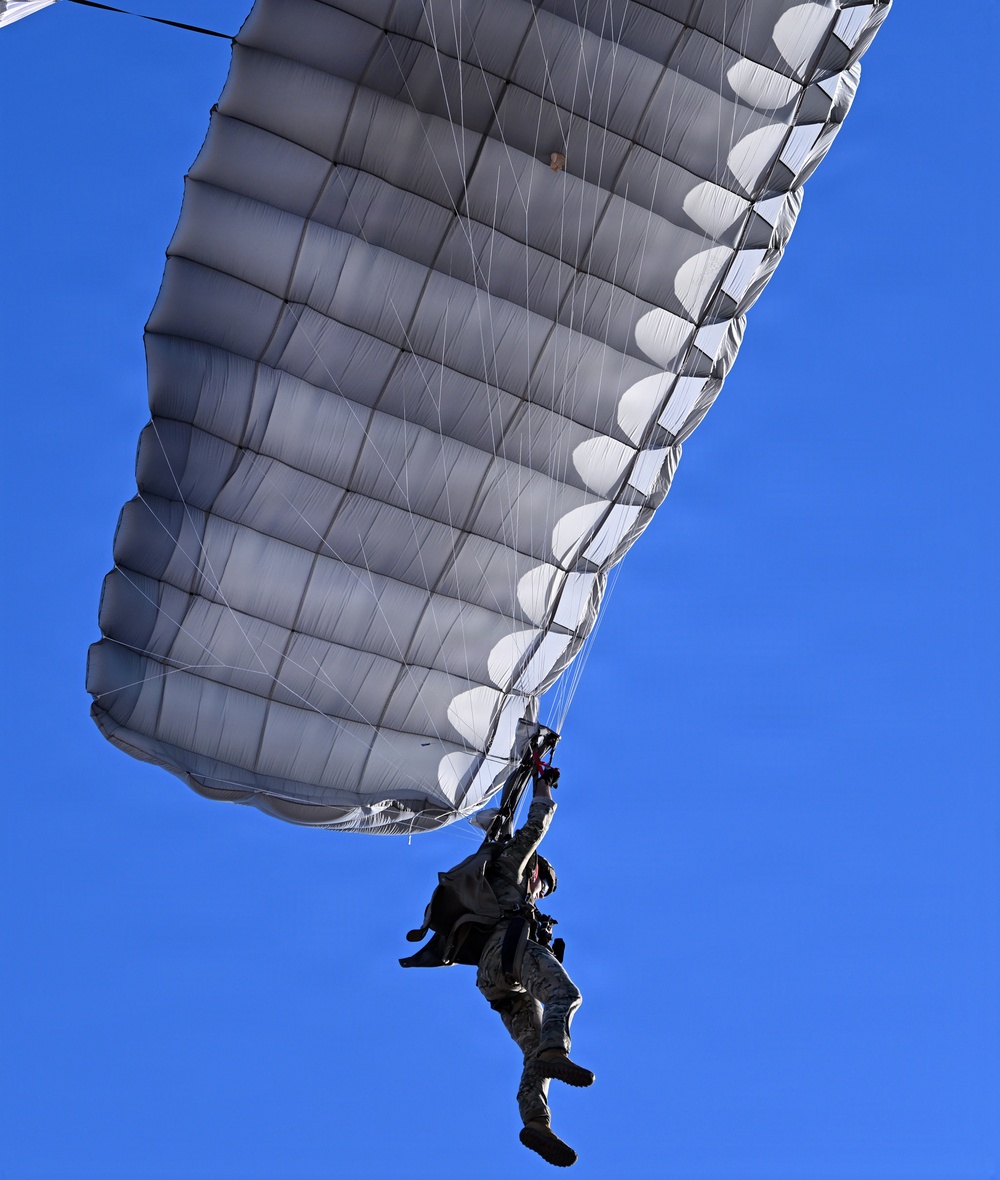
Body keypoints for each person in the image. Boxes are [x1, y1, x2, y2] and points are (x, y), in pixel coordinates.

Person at [476, 766, 594, 1168]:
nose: (543, 892)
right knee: (566, 995)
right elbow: (536, 823)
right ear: (537, 871)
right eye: (545, 883)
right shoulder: (511, 864)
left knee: (533, 1051)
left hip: (495, 980)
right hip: (509, 949)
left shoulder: (495, 885)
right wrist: (541, 777)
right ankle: (557, 1050)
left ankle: (536, 1123)